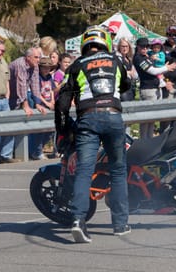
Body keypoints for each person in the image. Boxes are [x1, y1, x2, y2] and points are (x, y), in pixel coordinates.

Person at [55, 26, 132, 243]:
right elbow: (127, 85)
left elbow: (61, 103)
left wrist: (63, 129)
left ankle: (78, 220)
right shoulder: (116, 60)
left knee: (84, 171)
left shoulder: (77, 64)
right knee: (118, 171)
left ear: (84, 44)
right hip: (113, 117)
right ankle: (120, 224)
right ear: (106, 42)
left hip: (87, 119)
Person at [134, 37, 176, 139]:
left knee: (152, 118)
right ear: (138, 47)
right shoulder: (138, 58)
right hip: (148, 90)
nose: (144, 49)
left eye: (146, 47)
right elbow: (152, 71)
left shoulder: (146, 57)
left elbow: (157, 71)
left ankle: (149, 139)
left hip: (155, 88)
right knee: (146, 119)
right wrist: (167, 68)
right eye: (142, 47)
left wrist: (164, 69)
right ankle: (144, 140)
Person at [29, 56, 56, 160]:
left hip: (49, 105)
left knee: (49, 130)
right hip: (41, 105)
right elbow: (37, 92)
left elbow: (52, 90)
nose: (46, 69)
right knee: (39, 131)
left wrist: (52, 101)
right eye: (44, 67)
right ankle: (37, 152)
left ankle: (38, 150)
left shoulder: (49, 77)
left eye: (49, 67)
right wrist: (46, 103)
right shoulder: (37, 77)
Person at [8, 47, 46, 116]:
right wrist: (25, 105)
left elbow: (35, 85)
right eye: (36, 57)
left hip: (19, 95)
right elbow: (21, 85)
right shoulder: (20, 64)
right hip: (10, 95)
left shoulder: (35, 65)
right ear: (28, 57)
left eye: (39, 58)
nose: (38, 60)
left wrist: (38, 103)